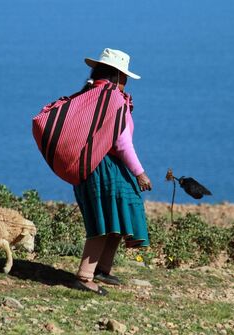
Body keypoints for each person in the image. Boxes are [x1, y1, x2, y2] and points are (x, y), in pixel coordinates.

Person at [72, 48, 152, 295]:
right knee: (105, 220)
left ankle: (102, 269)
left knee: (113, 214)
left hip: (88, 166)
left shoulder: (88, 94)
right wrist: (139, 172)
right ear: (118, 76)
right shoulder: (114, 100)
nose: (126, 82)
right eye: (124, 76)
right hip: (105, 168)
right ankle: (85, 276)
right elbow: (121, 141)